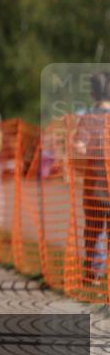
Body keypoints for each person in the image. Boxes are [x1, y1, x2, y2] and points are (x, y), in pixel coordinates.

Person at [73, 71, 110, 284]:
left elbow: (78, 145)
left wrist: (89, 151)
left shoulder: (89, 117)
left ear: (93, 93)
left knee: (94, 230)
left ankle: (94, 273)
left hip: (95, 185)